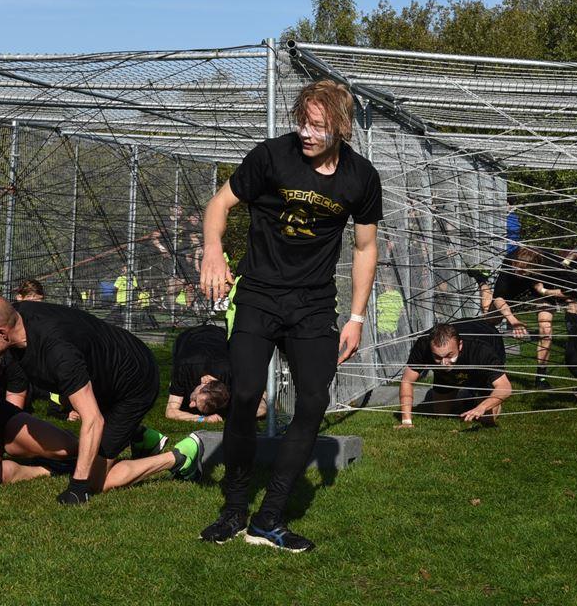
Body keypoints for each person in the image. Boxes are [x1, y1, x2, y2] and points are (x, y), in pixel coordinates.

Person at [197, 78, 381, 552]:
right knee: (244, 394)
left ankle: (270, 517)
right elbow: (220, 203)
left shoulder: (361, 177)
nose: (306, 132)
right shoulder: (272, 156)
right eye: (303, 122)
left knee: (314, 402)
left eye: (317, 126)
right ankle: (234, 508)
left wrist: (357, 317)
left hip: (313, 306)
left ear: (342, 128)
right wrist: (213, 249)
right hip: (258, 294)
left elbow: (365, 248)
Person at [0, 296, 202, 504]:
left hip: (134, 384)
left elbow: (93, 419)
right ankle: (140, 436)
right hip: (103, 372)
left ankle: (180, 457)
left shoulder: (58, 352)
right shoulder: (14, 315)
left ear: (2, 333)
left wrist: (78, 485)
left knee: (97, 481)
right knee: (87, 429)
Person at [396, 319, 511, 427]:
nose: (444, 363)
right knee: (441, 414)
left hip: (487, 337)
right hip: (446, 374)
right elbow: (407, 380)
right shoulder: (423, 344)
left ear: (460, 345)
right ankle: (464, 395)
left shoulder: (481, 349)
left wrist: (482, 407)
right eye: (437, 357)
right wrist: (406, 421)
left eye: (449, 355)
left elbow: (505, 387)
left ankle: (476, 394)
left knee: (487, 418)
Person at [165, 324, 266, 423]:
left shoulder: (232, 376)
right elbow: (170, 411)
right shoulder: (183, 368)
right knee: (180, 397)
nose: (191, 405)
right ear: (205, 381)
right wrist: (202, 419)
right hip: (188, 337)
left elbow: (262, 408)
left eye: (194, 401)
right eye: (195, 400)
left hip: (218, 340)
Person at [489, 247, 558, 387]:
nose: (518, 272)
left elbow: (565, 290)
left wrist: (544, 291)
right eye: (516, 268)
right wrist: (513, 320)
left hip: (539, 287)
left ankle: (541, 377)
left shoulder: (550, 263)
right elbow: (498, 298)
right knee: (491, 320)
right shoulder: (510, 263)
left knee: (546, 329)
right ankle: (481, 282)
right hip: (514, 287)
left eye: (522, 271)